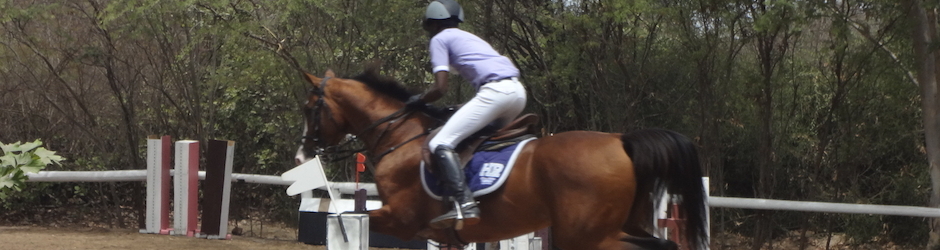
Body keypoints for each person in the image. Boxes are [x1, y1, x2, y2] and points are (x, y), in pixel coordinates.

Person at [406, 0, 527, 230]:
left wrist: (419, 100)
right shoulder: (468, 37)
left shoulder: (439, 39)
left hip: (496, 93)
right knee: (477, 140)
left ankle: (465, 203)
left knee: (441, 142)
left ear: (433, 23)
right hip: (517, 93)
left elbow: (440, 88)